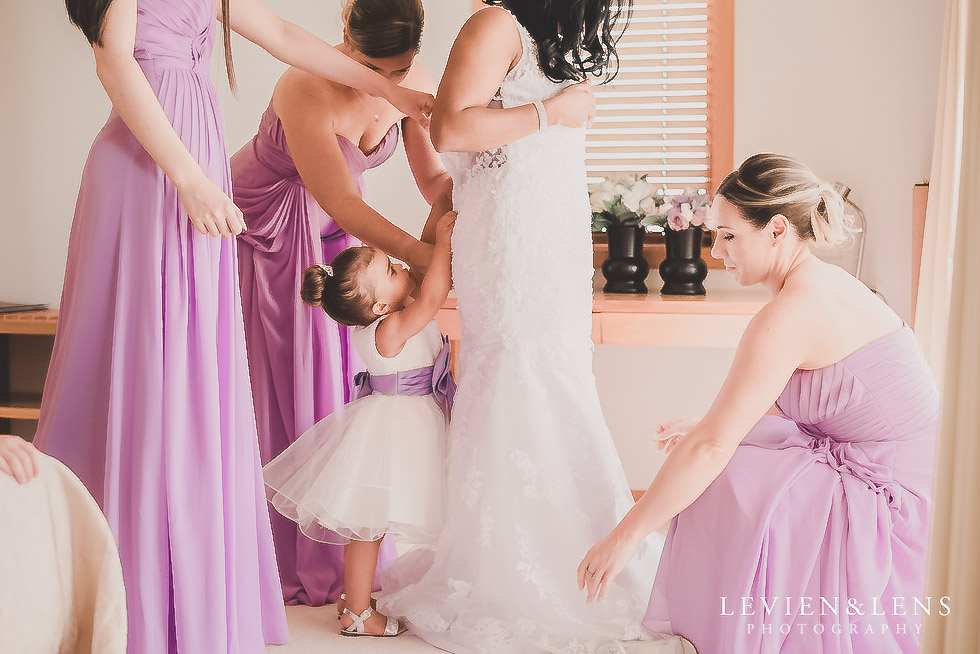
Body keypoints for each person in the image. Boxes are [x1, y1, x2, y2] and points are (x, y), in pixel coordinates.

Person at [34, 0, 432, 651]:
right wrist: (189, 177)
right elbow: (114, 64)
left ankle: (188, 582)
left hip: (195, 170)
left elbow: (279, 33)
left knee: (192, 379)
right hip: (154, 170)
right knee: (149, 371)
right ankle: (123, 580)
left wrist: (388, 88)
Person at [377, 2, 676, 653]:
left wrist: (552, 116)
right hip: (512, 237)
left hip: (551, 230)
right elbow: (453, 130)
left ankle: (584, 550)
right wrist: (550, 112)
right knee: (516, 373)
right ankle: (512, 560)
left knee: (555, 375)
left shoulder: (547, 35)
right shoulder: (497, 24)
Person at [579, 154, 941, 653]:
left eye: (728, 236)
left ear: (775, 230)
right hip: (885, 465)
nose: (716, 251)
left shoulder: (792, 312)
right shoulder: (816, 285)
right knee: (727, 457)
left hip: (899, 500)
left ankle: (742, 634)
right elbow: (822, 397)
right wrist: (708, 426)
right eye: (714, 235)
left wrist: (625, 535)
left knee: (727, 473)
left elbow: (711, 448)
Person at [230, 0, 451, 607]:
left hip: (332, 232)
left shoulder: (418, 81)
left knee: (340, 380)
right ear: (345, 33)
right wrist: (423, 256)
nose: (387, 82)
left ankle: (348, 540)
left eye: (399, 71)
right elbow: (344, 201)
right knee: (290, 380)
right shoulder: (302, 87)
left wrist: (462, 200)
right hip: (267, 227)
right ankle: (291, 549)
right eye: (370, 67)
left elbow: (430, 177)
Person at [263, 209, 457, 638]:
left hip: (397, 423)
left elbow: (418, 275)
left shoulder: (383, 318)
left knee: (369, 526)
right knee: (368, 528)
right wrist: (443, 244)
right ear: (381, 305)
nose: (400, 264)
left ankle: (355, 601)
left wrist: (432, 221)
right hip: (400, 430)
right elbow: (433, 294)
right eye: (390, 268)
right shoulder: (391, 328)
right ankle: (357, 613)